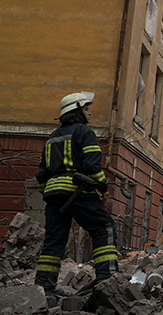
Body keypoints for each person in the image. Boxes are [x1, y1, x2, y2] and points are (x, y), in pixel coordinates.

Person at [35, 92, 118, 293]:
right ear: (77, 111)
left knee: (54, 240)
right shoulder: (84, 133)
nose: (90, 113)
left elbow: (41, 174)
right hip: (78, 190)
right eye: (87, 109)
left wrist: (49, 194)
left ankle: (43, 287)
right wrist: (103, 187)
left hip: (53, 195)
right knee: (103, 227)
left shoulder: (52, 137)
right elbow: (92, 164)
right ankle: (108, 280)